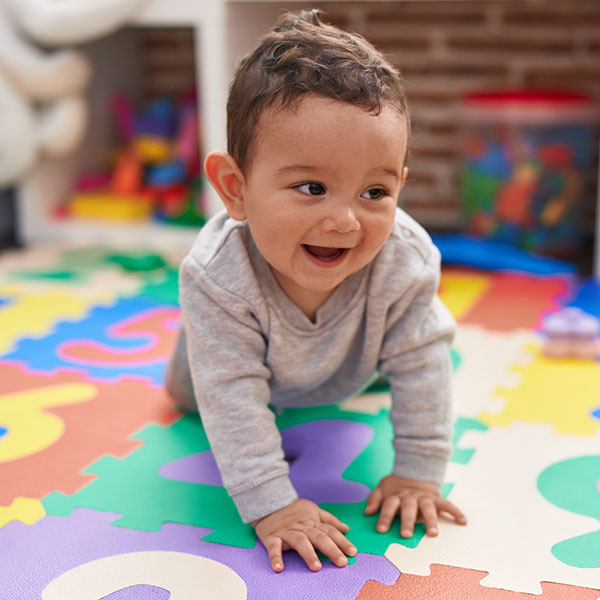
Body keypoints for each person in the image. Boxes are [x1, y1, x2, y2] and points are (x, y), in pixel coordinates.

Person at [165, 8, 467, 574]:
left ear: (401, 183)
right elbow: (229, 398)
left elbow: (424, 366)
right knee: (197, 397)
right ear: (236, 189)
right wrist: (272, 507)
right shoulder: (216, 275)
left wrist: (418, 472)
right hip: (222, 373)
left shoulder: (405, 261)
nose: (346, 222)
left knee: (410, 345)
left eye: (375, 191)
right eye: (312, 187)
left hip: (346, 366)